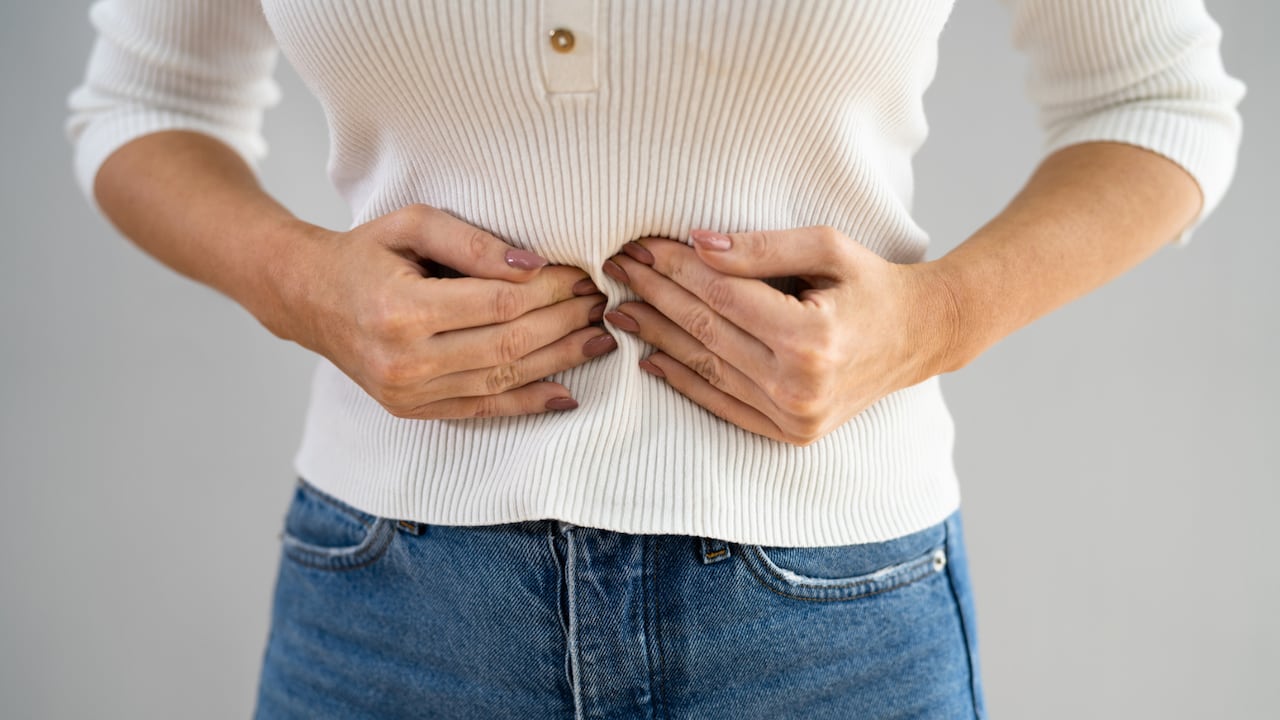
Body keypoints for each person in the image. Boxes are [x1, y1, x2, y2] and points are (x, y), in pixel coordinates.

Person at [66, 1, 1244, 718]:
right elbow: (143, 97)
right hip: (392, 609)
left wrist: (937, 317)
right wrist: (295, 282)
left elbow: (1154, 99)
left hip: (823, 627)